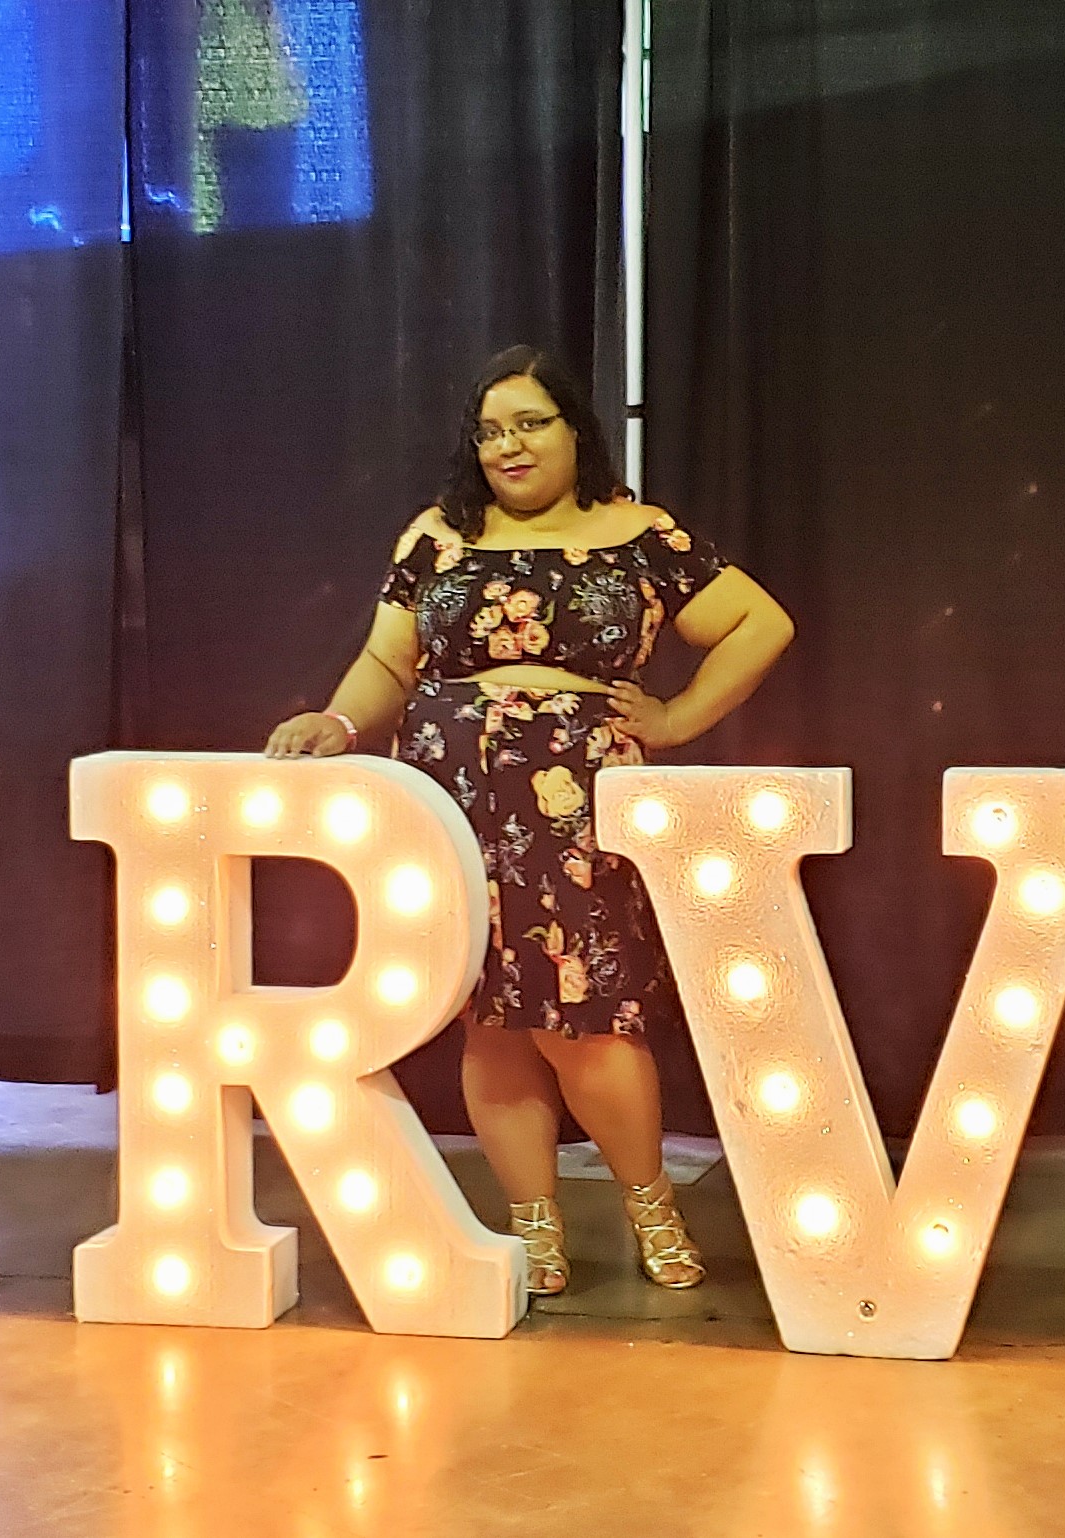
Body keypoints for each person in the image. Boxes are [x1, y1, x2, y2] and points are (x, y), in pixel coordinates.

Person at [266, 345, 795, 1294]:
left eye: (528, 424)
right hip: (451, 793)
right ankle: (532, 1223)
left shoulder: (639, 534)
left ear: (573, 431)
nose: (507, 446)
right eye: (489, 432)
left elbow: (762, 624)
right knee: (492, 1018)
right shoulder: (437, 536)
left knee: (585, 1014)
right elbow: (388, 662)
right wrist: (338, 722)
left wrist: (676, 719)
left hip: (574, 801)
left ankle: (650, 1206)